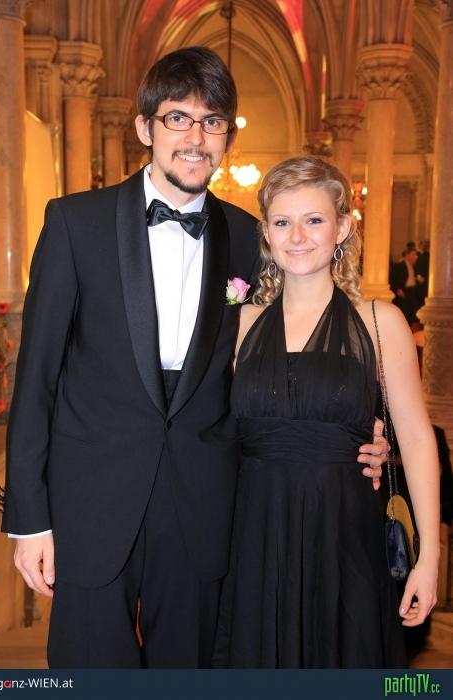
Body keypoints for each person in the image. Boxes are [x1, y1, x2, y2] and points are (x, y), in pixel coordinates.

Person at [1, 48, 386, 669]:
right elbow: (37, 378)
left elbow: (297, 346)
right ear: (144, 126)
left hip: (205, 504)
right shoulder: (75, 223)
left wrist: (358, 432)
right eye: (178, 118)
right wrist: (28, 519)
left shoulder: (250, 237)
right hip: (91, 502)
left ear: (227, 136)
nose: (196, 137)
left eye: (212, 122)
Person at [212, 156, 439, 668]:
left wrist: (429, 557)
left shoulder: (380, 322)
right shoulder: (239, 323)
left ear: (342, 228)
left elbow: (417, 438)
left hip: (345, 537)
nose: (297, 236)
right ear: (265, 234)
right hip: (252, 534)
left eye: (314, 219)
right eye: (282, 221)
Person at [390, 247, 420, 326]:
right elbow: (393, 279)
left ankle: (410, 327)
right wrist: (397, 289)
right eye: (413, 255)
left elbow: (412, 277)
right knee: (404, 311)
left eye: (416, 255)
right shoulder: (399, 266)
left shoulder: (414, 266)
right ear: (407, 255)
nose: (416, 257)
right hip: (404, 291)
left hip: (413, 290)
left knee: (412, 311)